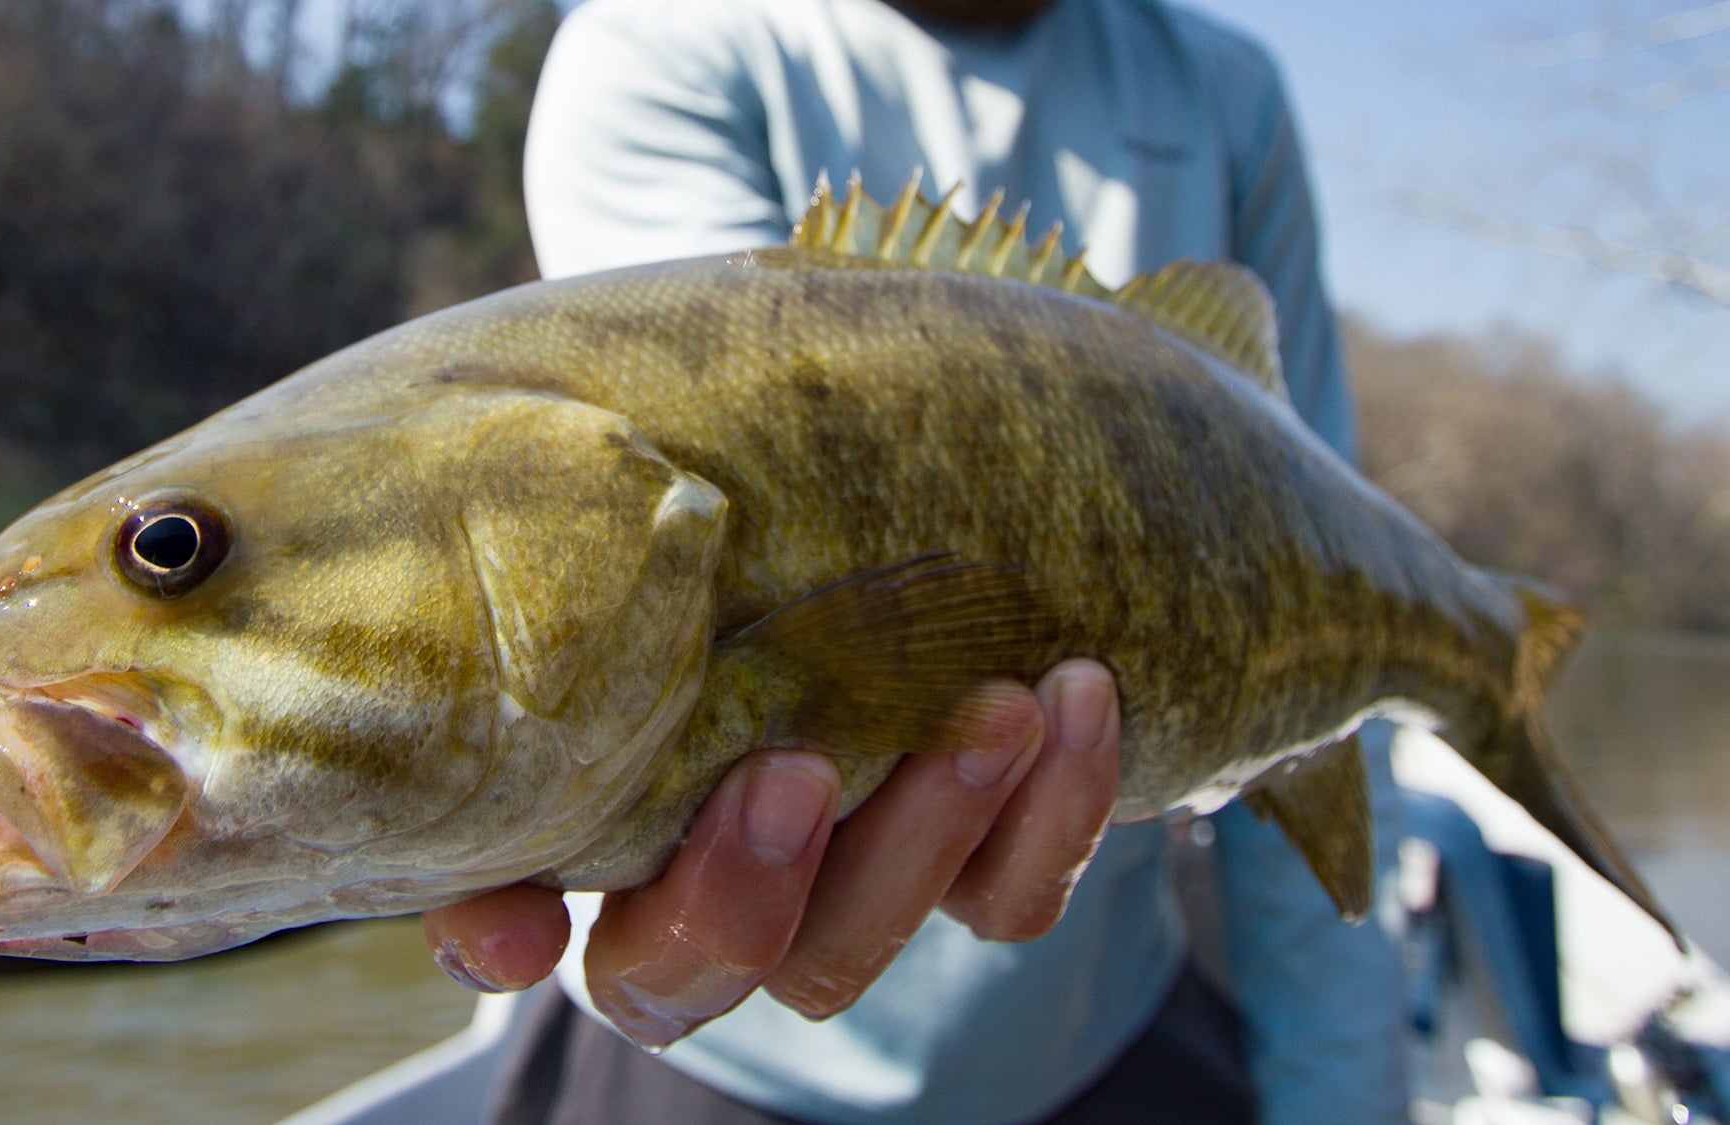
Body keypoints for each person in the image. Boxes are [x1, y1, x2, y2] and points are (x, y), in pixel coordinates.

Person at [423, 0, 1411, 1121]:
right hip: (716, 1065)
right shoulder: (668, 37)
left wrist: (1344, 1096)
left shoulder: (1228, 90)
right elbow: (698, 459)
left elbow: (1336, 583)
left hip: (1107, 1031)